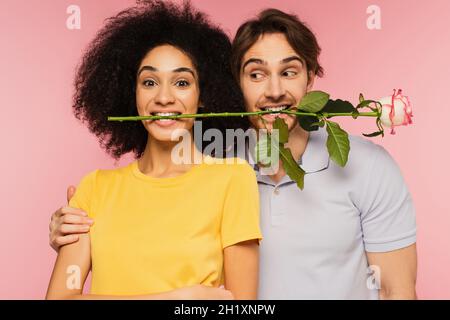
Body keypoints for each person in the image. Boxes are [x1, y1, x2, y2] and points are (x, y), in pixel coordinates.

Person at [49, 7, 417, 300]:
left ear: (311, 79)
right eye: (256, 74)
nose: (274, 91)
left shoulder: (366, 167)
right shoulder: (223, 162)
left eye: (288, 72)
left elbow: (396, 291)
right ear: (235, 86)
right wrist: (70, 227)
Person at [46, 0, 261, 300]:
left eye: (182, 82)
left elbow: (241, 306)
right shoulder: (94, 188)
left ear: (203, 96)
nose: (164, 97)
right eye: (149, 82)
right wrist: (178, 300)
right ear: (131, 92)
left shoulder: (233, 179)